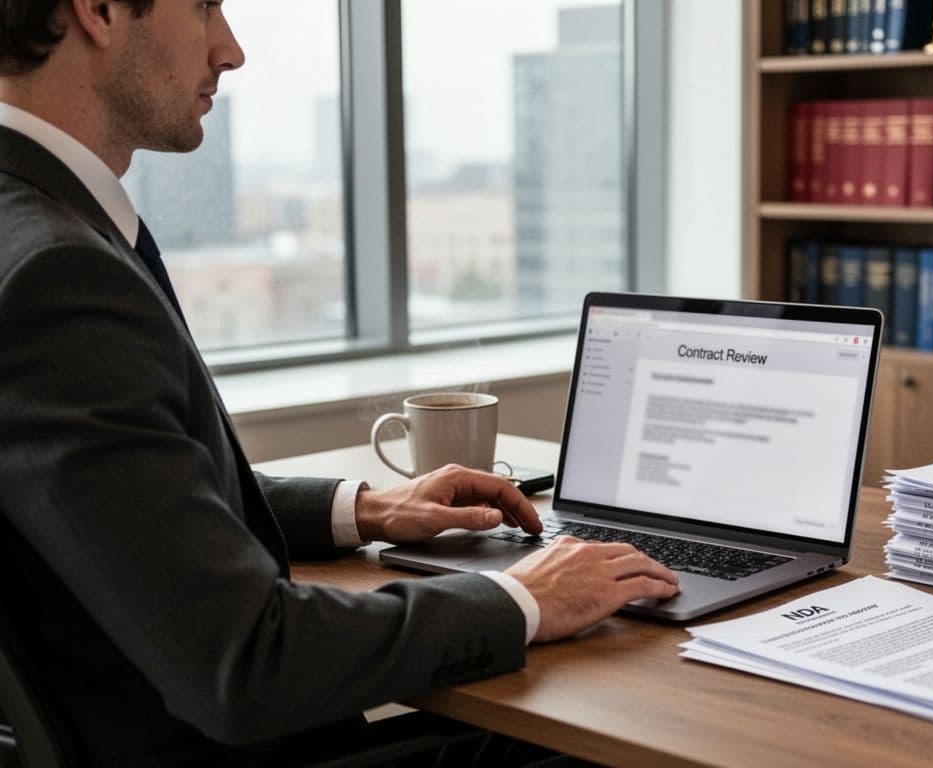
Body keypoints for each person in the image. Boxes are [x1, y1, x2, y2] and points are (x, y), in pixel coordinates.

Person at [0, 0, 680, 763]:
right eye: (205, 7)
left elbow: (135, 513)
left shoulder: (28, 225)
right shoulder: (58, 274)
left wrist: (368, 508)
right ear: (97, 11)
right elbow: (246, 666)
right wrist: (524, 597)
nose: (232, 50)